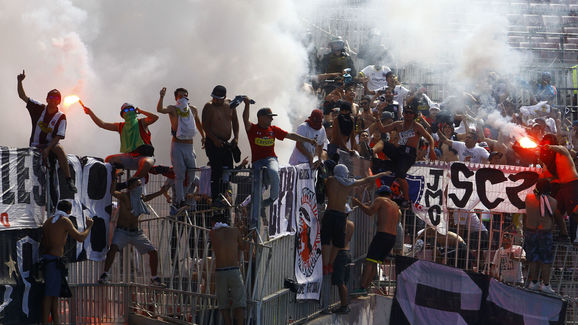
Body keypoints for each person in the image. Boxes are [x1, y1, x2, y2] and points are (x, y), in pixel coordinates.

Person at [242, 100, 316, 229]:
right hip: (257, 162)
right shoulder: (253, 129)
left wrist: (307, 140)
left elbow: (290, 135)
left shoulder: (273, 130)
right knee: (257, 189)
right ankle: (254, 223)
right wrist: (247, 104)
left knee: (274, 172)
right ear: (261, 118)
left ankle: (271, 199)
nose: (271, 119)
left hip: (271, 159)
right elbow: (245, 119)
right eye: (269, 117)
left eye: (272, 117)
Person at [98, 177, 169, 286]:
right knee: (113, 249)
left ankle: (154, 278)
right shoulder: (124, 196)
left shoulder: (139, 198)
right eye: (137, 185)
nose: (139, 187)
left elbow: (147, 198)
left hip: (136, 233)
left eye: (140, 185)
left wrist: (160, 192)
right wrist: (114, 179)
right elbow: (112, 192)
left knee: (153, 252)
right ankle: (105, 274)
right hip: (122, 231)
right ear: (130, 187)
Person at [321, 164, 389, 276]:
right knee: (338, 243)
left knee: (326, 241)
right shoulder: (348, 183)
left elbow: (326, 192)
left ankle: (324, 264)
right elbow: (367, 179)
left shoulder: (330, 181)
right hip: (341, 215)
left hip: (329, 213)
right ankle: (330, 264)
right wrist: (381, 174)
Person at [17, 70, 77, 193]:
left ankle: (68, 179)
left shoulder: (61, 116)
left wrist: (47, 149)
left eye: (56, 98)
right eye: (51, 97)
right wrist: (19, 82)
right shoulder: (39, 108)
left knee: (60, 149)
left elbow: (58, 137)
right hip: (35, 144)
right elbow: (23, 96)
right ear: (47, 99)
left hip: (50, 145)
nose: (53, 100)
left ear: (59, 101)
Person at [40, 200, 93, 324]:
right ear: (69, 211)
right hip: (54, 261)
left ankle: (56, 321)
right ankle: (45, 322)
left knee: (54, 294)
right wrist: (89, 226)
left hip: (49, 260)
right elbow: (80, 238)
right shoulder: (64, 220)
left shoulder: (48, 221)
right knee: (49, 294)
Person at [373, 105, 437, 208]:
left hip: (409, 155)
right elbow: (383, 129)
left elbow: (430, 138)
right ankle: (371, 151)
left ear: (414, 115)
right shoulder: (398, 124)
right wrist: (377, 118)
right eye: (406, 112)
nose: (408, 114)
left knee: (400, 175)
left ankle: (406, 200)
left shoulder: (417, 126)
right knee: (383, 143)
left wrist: (432, 150)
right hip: (398, 151)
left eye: (410, 112)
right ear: (403, 114)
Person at [83, 101, 158, 180]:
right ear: (122, 115)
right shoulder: (120, 126)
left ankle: (133, 181)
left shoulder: (142, 122)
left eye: (131, 109)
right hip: (130, 157)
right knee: (109, 159)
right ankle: (114, 179)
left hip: (145, 156)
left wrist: (141, 111)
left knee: (146, 163)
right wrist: (90, 113)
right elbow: (102, 124)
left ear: (135, 111)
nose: (128, 112)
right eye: (126, 111)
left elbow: (155, 117)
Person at [157, 87, 205, 209]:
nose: (184, 97)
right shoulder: (173, 109)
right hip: (177, 145)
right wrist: (161, 96)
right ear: (176, 98)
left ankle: (184, 195)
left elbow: (198, 123)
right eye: (181, 96)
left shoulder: (193, 109)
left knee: (192, 173)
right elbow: (160, 109)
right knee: (179, 174)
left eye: (185, 95)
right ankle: (180, 200)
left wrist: (203, 136)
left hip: (189, 145)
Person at [351, 185, 400, 295]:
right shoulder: (395, 205)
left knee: (369, 262)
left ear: (378, 194)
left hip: (382, 235)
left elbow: (370, 212)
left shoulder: (380, 200)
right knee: (375, 263)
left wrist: (358, 203)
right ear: (390, 195)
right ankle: (365, 288)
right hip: (392, 238)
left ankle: (362, 287)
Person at [201, 85, 240, 205]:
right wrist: (214, 139)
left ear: (224, 97)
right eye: (214, 97)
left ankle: (225, 193)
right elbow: (205, 126)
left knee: (228, 168)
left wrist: (236, 137)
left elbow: (235, 122)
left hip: (225, 143)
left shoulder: (231, 105)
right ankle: (216, 197)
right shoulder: (209, 106)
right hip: (213, 143)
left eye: (219, 98)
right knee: (216, 169)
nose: (216, 100)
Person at [209, 214, 247, 325]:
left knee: (223, 303)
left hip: (220, 271)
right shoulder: (235, 231)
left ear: (215, 222)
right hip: (234, 270)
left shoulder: (212, 233)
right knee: (239, 302)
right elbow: (243, 246)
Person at [524, 178, 560, 294]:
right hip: (545, 233)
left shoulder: (528, 198)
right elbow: (556, 217)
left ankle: (533, 282)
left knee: (533, 258)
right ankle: (545, 284)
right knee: (546, 261)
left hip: (530, 231)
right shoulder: (553, 202)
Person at [539, 134, 577, 242]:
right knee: (556, 210)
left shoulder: (562, 151)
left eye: (549, 142)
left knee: (576, 212)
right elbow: (551, 176)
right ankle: (564, 234)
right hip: (563, 187)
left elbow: (560, 148)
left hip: (572, 184)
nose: (547, 145)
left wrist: (550, 147)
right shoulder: (551, 159)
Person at [330, 216, 354, 314]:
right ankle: (344, 305)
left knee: (340, 282)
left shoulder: (339, 224)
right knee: (343, 281)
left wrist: (331, 260)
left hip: (340, 253)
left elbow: (336, 242)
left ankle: (344, 306)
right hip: (347, 252)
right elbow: (349, 238)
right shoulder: (351, 224)